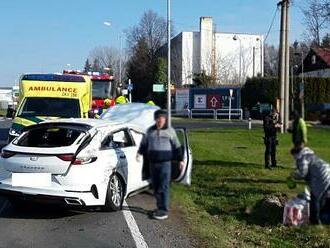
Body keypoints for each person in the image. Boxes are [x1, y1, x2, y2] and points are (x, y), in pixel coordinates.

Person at [137, 109, 184, 220]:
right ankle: (159, 207)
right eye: (158, 119)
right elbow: (144, 144)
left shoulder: (170, 131)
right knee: (156, 187)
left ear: (165, 120)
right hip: (153, 164)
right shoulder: (150, 131)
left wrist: (180, 160)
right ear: (155, 119)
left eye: (162, 119)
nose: (160, 121)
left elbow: (177, 146)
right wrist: (139, 153)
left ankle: (163, 210)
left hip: (165, 164)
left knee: (164, 186)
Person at [290, 147, 330, 224]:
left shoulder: (302, 158)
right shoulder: (310, 155)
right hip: (328, 173)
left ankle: (314, 220)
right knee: (326, 196)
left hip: (321, 177)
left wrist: (293, 175)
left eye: (293, 155)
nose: (294, 158)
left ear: (296, 153)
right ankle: (326, 216)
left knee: (315, 198)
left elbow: (303, 173)